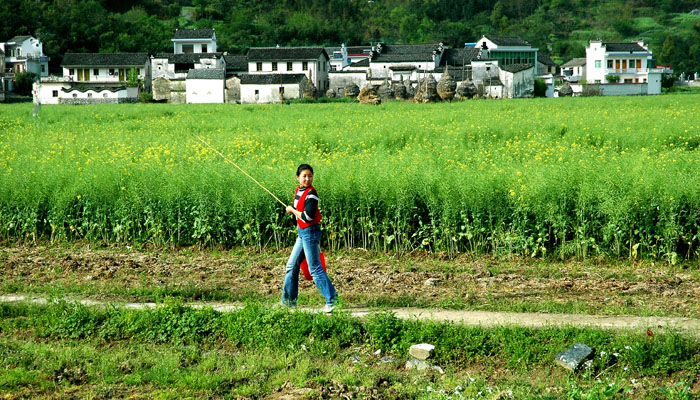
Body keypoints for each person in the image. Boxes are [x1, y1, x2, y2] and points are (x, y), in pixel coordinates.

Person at [281, 164, 338, 313]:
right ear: (298, 177)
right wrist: (293, 212)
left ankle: (333, 301)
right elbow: (299, 217)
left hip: (310, 232)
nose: (307, 179)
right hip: (302, 232)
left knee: (315, 269)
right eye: (304, 176)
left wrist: (292, 210)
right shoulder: (299, 190)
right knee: (291, 266)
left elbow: (308, 217)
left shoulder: (311, 194)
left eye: (310, 176)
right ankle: (288, 303)